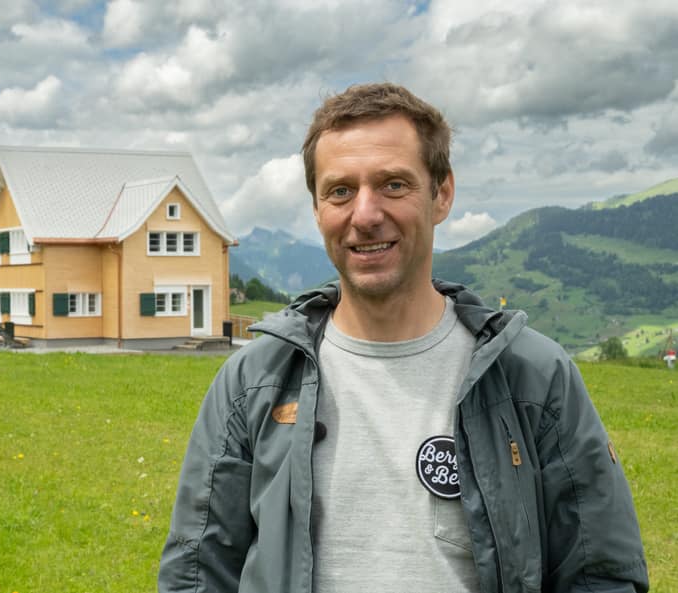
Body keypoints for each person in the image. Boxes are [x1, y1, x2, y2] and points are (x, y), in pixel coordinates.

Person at [157, 83, 649, 593]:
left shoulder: (534, 377)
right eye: (340, 191)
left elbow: (600, 576)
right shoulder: (253, 381)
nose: (365, 215)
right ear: (317, 209)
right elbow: (196, 577)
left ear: (442, 194)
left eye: (393, 185)